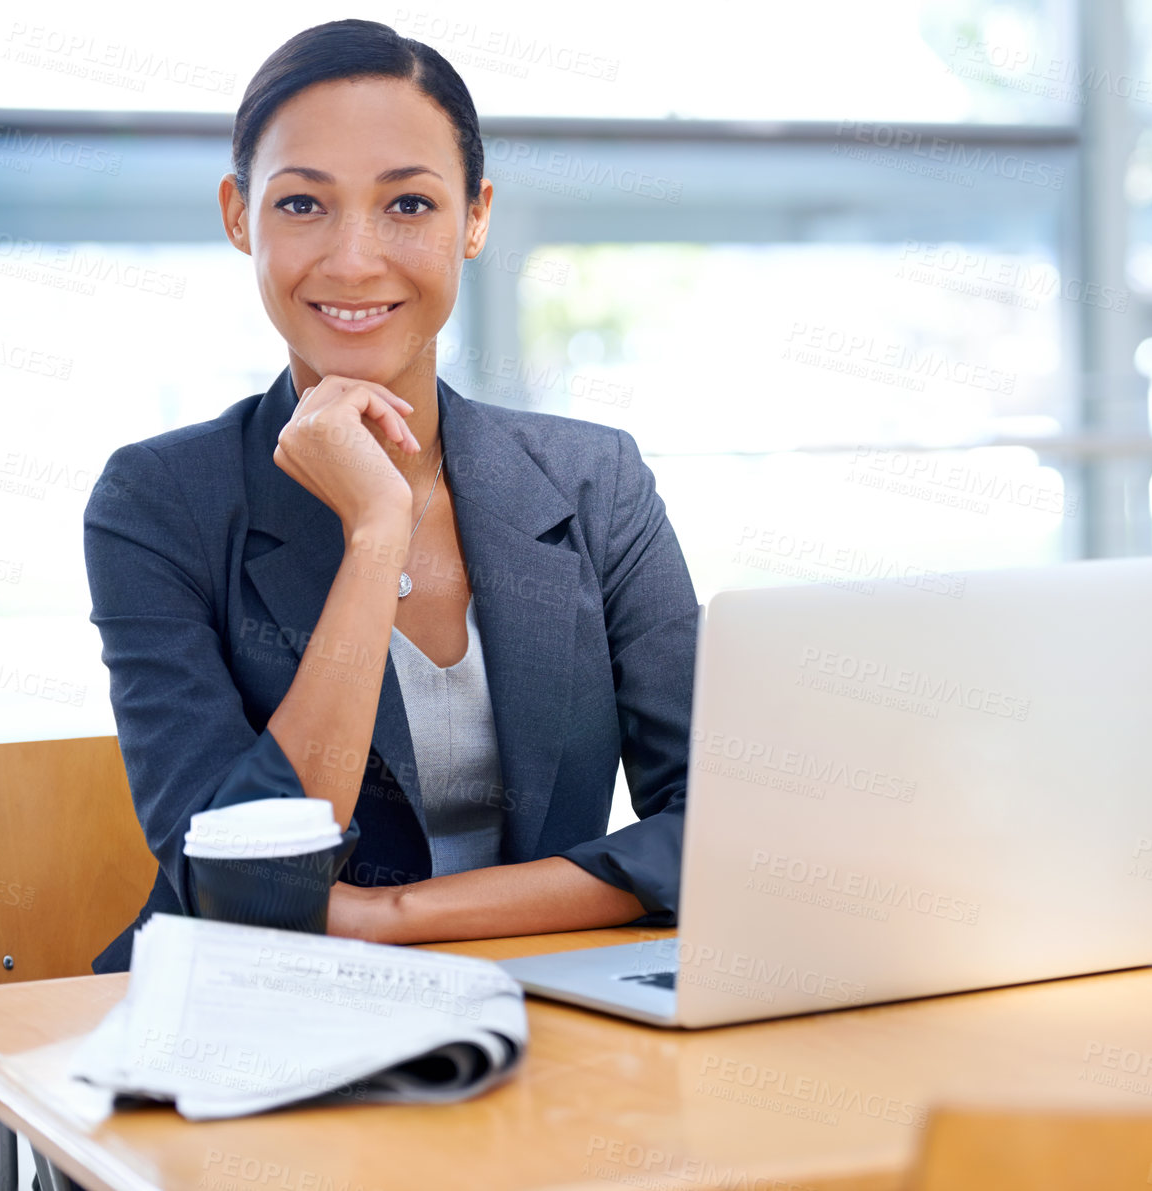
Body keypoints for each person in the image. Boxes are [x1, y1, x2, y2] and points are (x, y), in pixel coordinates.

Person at [82, 18, 699, 973]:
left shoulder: (595, 481)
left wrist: (397, 915)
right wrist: (376, 534)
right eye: (302, 205)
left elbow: (718, 825)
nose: (355, 259)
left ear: (476, 217)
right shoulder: (160, 500)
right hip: (238, 1025)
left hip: (542, 1015)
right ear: (238, 216)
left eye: (408, 205)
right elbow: (249, 891)